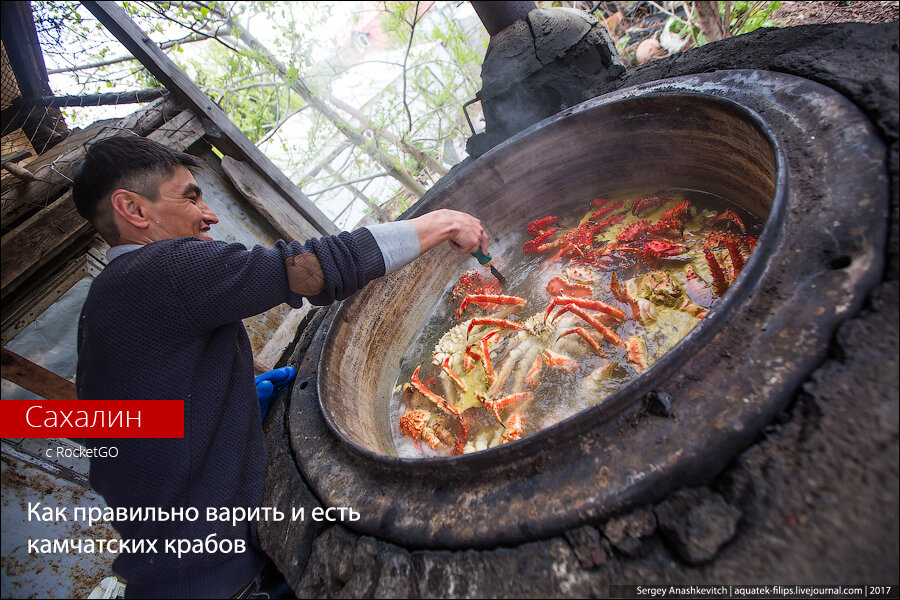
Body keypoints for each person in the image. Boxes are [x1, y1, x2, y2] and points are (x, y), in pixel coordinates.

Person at [72, 136, 489, 598]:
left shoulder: (106, 303)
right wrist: (441, 221)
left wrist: (230, 404)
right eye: (190, 196)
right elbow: (314, 269)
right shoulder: (160, 269)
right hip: (220, 578)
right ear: (133, 209)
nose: (209, 214)